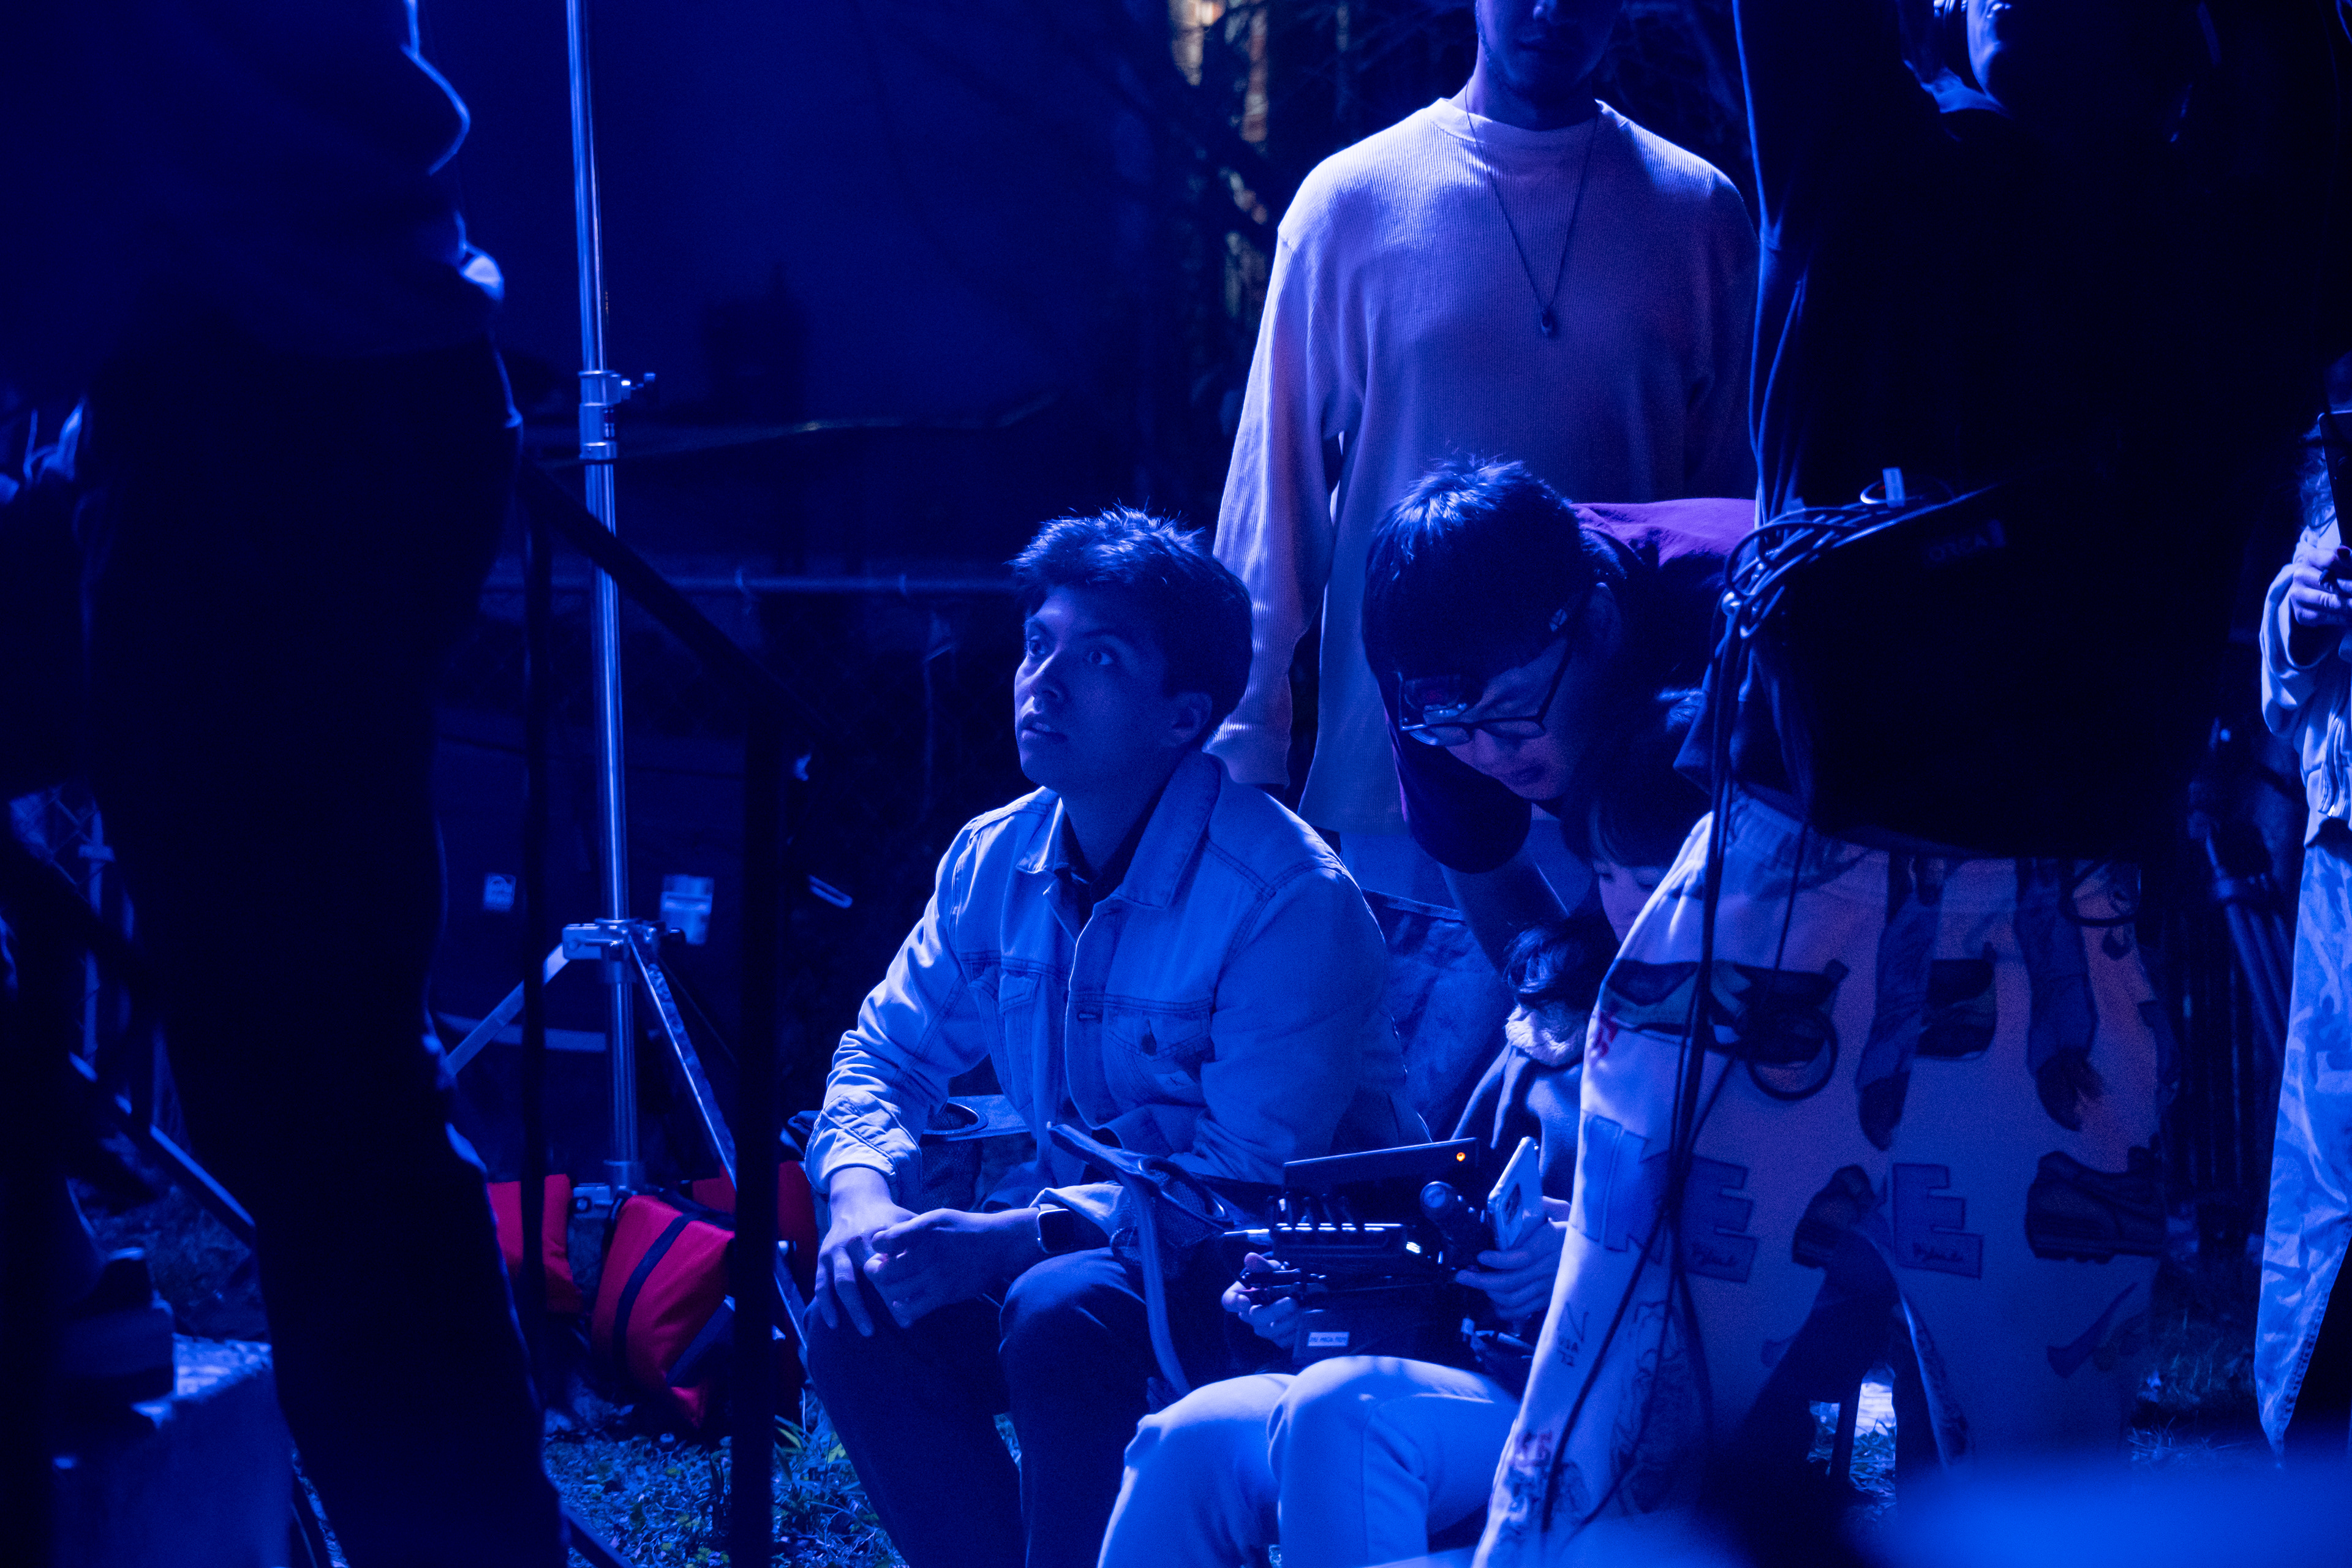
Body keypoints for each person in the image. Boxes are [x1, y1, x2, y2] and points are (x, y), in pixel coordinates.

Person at [1478, 0, 2337, 1558]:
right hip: (1874, 901)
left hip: (1952, 923)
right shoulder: (1894, 164)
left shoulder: (2219, 237)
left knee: (1996, 1502)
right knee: (1632, 1451)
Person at [2, 8, 564, 1564]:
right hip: (285, 378)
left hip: (265, 405)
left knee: (323, 1099)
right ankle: (48, 1257)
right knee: (327, 1091)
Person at [801, 509, 1420, 1568]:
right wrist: (861, 1197)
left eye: (1098, 658)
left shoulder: (1286, 896)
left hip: (1292, 1273)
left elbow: (1246, 1182)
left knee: (1061, 1306)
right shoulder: (993, 859)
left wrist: (1008, 1238)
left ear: (1185, 718)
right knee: (860, 1304)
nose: (1041, 681)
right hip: (1100, 1246)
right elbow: (883, 1057)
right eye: (1037, 643)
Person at [1096, 694, 1707, 1568]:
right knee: (1189, 1438)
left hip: (1649, 1409)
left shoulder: (1781, 1060)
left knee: (1343, 1413)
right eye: (1608, 874)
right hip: (1494, 1374)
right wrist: (1331, 1288)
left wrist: (1589, 1257)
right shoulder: (1559, 1023)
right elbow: (1452, 1227)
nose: (1629, 907)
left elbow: (1797, 1276)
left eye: (1656, 878)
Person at [1205, 0, 1754, 912]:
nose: (1551, 9)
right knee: (1412, 1010)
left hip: (1636, 780)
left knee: (1629, 1008)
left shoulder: (1699, 213)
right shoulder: (1351, 201)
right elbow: (1275, 498)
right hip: (1402, 776)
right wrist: (1240, 748)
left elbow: (1730, 509)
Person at [1359, 459, 1747, 968]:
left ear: (1599, 625)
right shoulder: (1426, 677)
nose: (1490, 754)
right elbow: (1486, 869)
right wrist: (1561, 1001)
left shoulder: (1742, 627)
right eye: (1455, 727)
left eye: (1513, 708)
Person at [2256, 424, 2352, 1460]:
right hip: (2347, 871)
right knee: (2335, 1165)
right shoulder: (2334, 494)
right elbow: (2284, 696)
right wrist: (2305, 615)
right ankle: (2320, 1422)